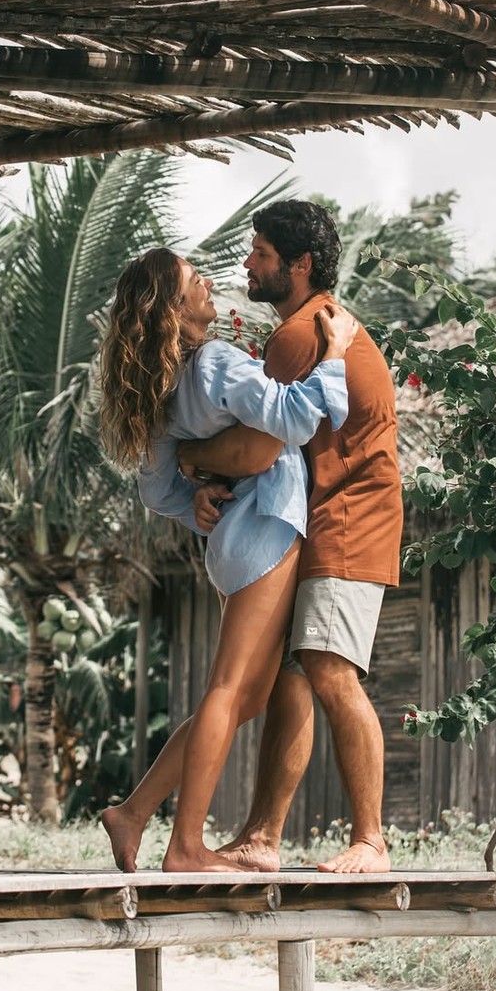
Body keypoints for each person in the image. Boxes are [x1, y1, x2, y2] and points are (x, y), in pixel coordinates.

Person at [98, 246, 359, 872]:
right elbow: (294, 420)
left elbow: (159, 490)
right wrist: (337, 352)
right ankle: (186, 848)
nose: (210, 281)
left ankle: (132, 814)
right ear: (172, 307)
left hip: (234, 541)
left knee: (243, 700)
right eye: (194, 279)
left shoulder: (167, 385)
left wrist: (201, 502)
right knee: (228, 690)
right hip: (265, 531)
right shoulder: (214, 363)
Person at [178, 200, 403, 874]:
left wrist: (191, 462)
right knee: (292, 678)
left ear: (298, 265)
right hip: (331, 513)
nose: (247, 263)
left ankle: (371, 839)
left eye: (262, 254)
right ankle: (263, 835)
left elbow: (256, 447)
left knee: (330, 670)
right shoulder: (315, 325)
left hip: (349, 517)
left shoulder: (301, 334)